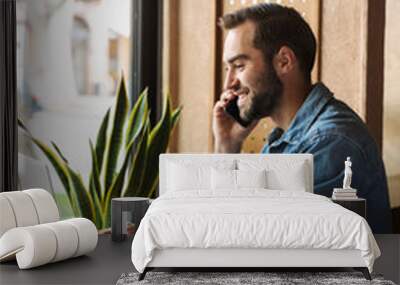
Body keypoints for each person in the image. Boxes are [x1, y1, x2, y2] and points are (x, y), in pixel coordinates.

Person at [212, 3, 392, 233]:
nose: (228, 84)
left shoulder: (331, 143)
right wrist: (227, 145)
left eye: (238, 65)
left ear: (284, 61)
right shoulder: (288, 140)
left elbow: (255, 236)